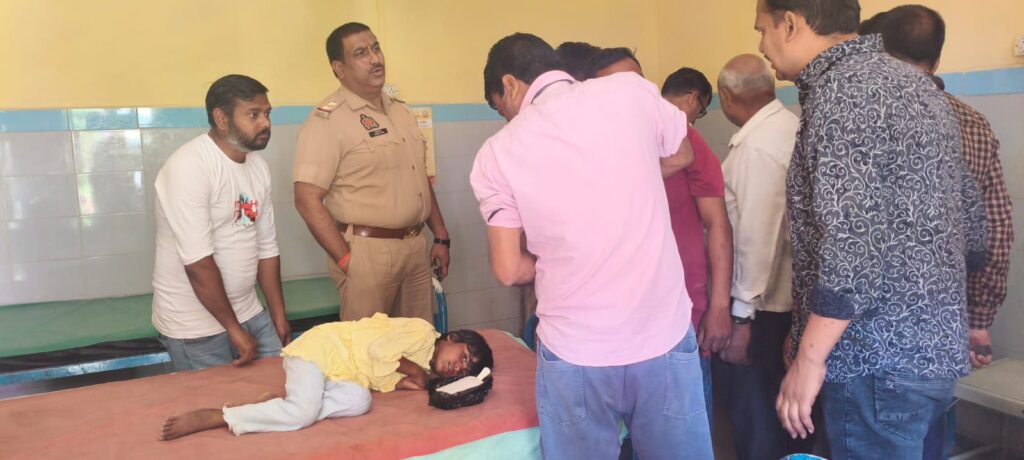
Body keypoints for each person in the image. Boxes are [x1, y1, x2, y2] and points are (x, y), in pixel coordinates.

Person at [754, 1, 987, 459]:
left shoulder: (842, 93)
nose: (762, 45)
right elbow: (973, 229)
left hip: (873, 360)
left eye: (762, 30)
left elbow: (852, 246)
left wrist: (810, 358)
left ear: (790, 24)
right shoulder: (919, 88)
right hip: (932, 350)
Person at [471, 33, 712, 459]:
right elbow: (682, 154)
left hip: (575, 348)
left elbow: (508, 270)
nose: (506, 117)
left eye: (499, 107)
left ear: (509, 85)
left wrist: (561, 259)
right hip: (662, 335)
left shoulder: (497, 152)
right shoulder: (629, 92)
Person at [860, 7, 1014, 458]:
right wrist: (979, 320)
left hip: (878, 332)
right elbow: (996, 230)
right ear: (937, 60)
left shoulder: (868, 117)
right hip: (946, 324)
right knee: (930, 435)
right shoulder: (974, 124)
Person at [293, 22, 451, 323]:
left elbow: (419, 178)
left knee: (417, 341)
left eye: (376, 48)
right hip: (367, 254)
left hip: (415, 248)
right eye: (361, 53)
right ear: (339, 68)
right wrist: (347, 259)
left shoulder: (401, 112)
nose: (375, 59)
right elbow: (306, 199)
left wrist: (440, 236)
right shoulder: (327, 120)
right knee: (369, 348)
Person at [159, 313, 493, 440]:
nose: (459, 367)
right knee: (303, 414)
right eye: (463, 357)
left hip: (339, 373)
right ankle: (220, 416)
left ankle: (281, 405)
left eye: (465, 370)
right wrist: (417, 372)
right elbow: (379, 350)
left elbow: (383, 381)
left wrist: (422, 386)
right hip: (320, 351)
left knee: (360, 400)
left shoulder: (423, 363)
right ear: (452, 338)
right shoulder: (422, 332)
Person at [152, 74, 290, 372]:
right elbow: (198, 262)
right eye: (253, 114)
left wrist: (278, 315)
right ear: (221, 119)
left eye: (267, 114)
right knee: (217, 400)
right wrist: (234, 329)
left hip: (249, 313)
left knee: (277, 388)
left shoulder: (258, 168)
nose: (265, 123)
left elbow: (267, 250)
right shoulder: (190, 166)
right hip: (195, 328)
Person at [712, 54, 812, 460]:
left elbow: (755, 240)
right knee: (786, 418)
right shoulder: (790, 127)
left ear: (726, 96)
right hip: (790, 306)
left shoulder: (756, 148)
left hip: (763, 312)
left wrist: (740, 320)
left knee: (756, 419)